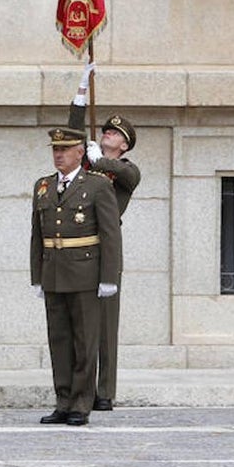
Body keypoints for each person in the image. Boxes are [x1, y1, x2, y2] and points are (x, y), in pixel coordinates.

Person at [30, 126, 121, 427]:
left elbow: (110, 235)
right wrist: (37, 277)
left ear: (80, 153)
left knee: (85, 342)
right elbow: (37, 236)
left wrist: (109, 277)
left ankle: (81, 403)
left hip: (85, 273)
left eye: (65, 150)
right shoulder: (43, 186)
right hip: (54, 272)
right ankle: (63, 400)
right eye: (55, 150)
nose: (58, 154)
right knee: (59, 341)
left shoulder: (96, 186)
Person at [68, 63, 142, 412]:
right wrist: (80, 95)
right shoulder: (88, 163)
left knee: (107, 325)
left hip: (107, 250)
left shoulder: (127, 170)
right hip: (80, 249)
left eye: (114, 134)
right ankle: (78, 385)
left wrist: (99, 160)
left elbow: (123, 175)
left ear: (124, 144)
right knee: (80, 321)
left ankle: (104, 391)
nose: (107, 135)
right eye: (106, 132)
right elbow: (71, 135)